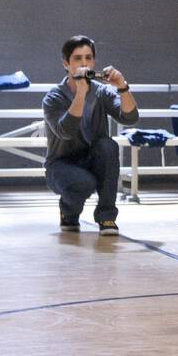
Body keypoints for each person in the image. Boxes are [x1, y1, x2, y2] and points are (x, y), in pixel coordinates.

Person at [42, 35, 138, 236]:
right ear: (66, 64)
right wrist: (80, 93)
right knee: (83, 183)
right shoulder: (53, 97)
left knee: (108, 146)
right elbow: (65, 131)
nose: (84, 63)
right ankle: (68, 213)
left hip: (92, 159)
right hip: (61, 165)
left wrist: (122, 86)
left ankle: (107, 218)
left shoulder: (101, 91)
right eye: (77, 58)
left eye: (88, 58)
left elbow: (130, 118)